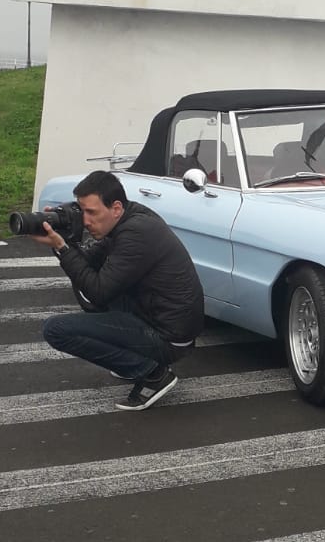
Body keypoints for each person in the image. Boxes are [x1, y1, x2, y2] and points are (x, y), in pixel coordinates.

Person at [38, 170, 205, 411]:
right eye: (82, 211)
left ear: (116, 208)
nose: (86, 221)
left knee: (55, 330)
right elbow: (86, 264)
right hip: (157, 316)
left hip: (169, 338)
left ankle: (153, 373)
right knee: (90, 289)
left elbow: (98, 291)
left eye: (92, 212)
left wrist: (63, 249)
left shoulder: (136, 233)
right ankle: (132, 360)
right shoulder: (129, 217)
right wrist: (64, 237)